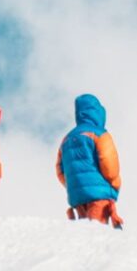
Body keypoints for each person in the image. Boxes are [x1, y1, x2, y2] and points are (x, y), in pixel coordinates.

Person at [55, 92, 122, 225]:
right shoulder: (100, 134)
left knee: (84, 234)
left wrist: (74, 185)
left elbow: (60, 170)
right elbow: (110, 168)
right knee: (97, 234)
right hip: (99, 194)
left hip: (77, 197)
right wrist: (114, 184)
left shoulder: (66, 140)